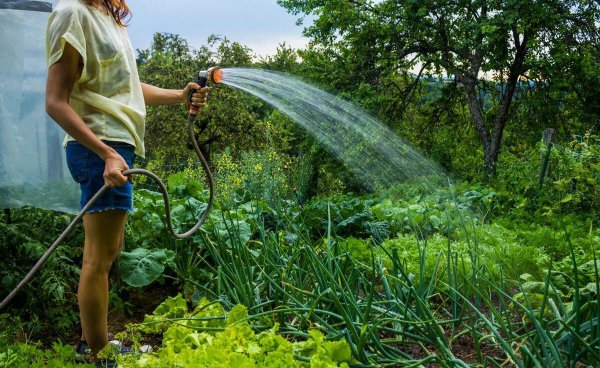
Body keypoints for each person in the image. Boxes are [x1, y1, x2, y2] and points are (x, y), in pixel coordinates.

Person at [44, 0, 209, 364]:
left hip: (117, 145)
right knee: (98, 258)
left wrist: (179, 96)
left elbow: (128, 90)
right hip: (99, 146)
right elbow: (55, 101)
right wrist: (105, 153)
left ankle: (92, 342)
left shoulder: (109, 19)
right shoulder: (72, 12)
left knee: (108, 250)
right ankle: (99, 354)